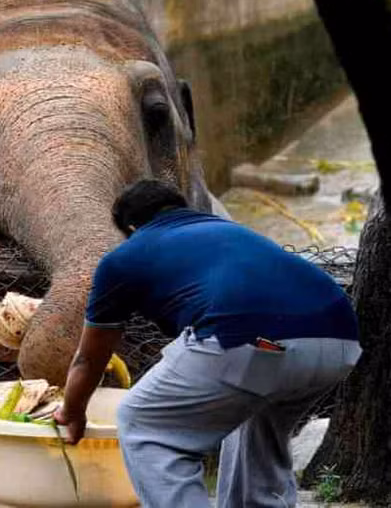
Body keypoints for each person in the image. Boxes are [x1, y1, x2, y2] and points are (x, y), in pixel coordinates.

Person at [54, 179, 361, 508]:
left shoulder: (124, 258)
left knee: (144, 423)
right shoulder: (232, 232)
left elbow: (88, 359)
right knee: (254, 428)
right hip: (338, 342)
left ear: (130, 227)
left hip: (250, 340)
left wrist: (72, 411)